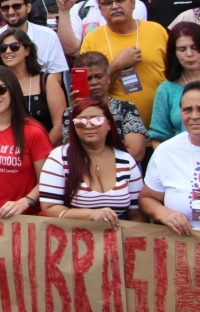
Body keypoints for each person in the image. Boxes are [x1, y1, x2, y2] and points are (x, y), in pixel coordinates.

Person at [39, 97, 144, 229]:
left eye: (96, 119)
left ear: (110, 124)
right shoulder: (59, 157)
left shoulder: (126, 160)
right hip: (73, 239)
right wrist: (90, 215)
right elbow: (49, 207)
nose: (88, 125)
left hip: (117, 241)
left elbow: (137, 213)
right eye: (80, 121)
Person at [0, 65, 52, 217]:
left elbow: (47, 180)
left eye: (0, 89)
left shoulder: (34, 131)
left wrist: (25, 202)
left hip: (24, 217)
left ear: (13, 90)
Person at [79, 0, 168, 127]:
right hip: (115, 128)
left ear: (133, 3)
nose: (115, 6)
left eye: (120, 0)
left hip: (161, 127)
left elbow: (174, 74)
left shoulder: (157, 30)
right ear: (100, 9)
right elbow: (86, 92)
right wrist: (116, 65)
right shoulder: (91, 40)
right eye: (107, 3)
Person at [61, 51, 147, 161]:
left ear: (108, 77)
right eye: (88, 78)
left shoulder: (126, 109)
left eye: (98, 76)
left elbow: (136, 153)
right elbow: (71, 153)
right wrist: (82, 111)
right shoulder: (70, 113)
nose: (94, 82)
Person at [141, 81, 200, 234]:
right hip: (185, 245)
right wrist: (164, 213)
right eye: (187, 110)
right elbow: (147, 198)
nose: (194, 116)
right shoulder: (166, 151)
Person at [0, 28, 68, 144]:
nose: (8, 51)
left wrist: (38, 152)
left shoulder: (47, 80)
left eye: (14, 46)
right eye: (3, 48)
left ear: (27, 50)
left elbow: (59, 126)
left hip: (45, 150)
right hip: (8, 152)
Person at [0, 0, 68, 75]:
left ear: (28, 7)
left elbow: (56, 78)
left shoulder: (48, 36)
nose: (11, 12)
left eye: (16, 6)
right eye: (5, 8)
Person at [150, 23, 200, 145]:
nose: (189, 54)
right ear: (174, 53)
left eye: (194, 47)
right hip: (180, 159)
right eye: (182, 49)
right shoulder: (166, 89)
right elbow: (158, 136)